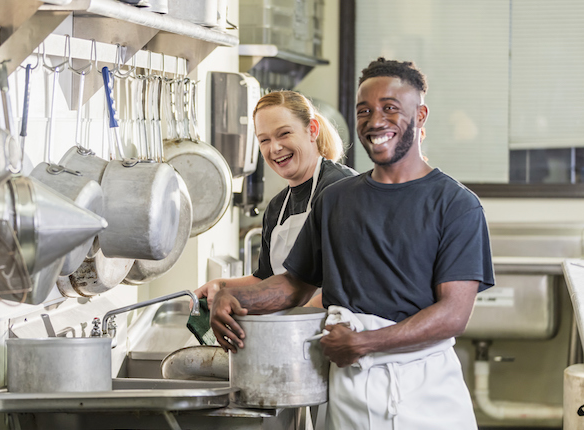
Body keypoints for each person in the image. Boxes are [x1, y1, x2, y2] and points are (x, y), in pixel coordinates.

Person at [210, 58, 494, 430]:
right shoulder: (336, 199)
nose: (375, 121)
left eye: (390, 108)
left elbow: (454, 314)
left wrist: (366, 343)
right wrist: (235, 298)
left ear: (421, 115)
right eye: (365, 110)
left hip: (426, 388)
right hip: (351, 389)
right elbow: (294, 286)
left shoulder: (456, 205)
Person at [194, 90, 356, 306]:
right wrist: (221, 286)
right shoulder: (277, 208)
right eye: (264, 140)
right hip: (289, 329)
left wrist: (298, 321)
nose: (275, 148)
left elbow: (354, 281)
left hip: (337, 329)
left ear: (312, 130)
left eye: (284, 133)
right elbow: (266, 279)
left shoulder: (342, 188)